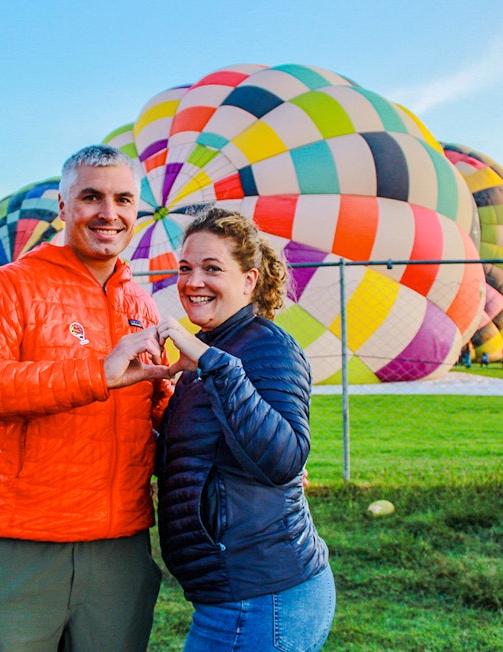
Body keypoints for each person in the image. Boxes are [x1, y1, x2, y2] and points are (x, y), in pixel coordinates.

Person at [0, 144, 173, 652]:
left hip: (120, 547)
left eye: (124, 200)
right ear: (63, 208)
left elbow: (160, 410)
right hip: (21, 544)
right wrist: (92, 373)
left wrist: (247, 449)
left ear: (137, 211)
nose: (110, 214)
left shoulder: (140, 303)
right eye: (92, 197)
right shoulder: (9, 288)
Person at [154, 208, 334, 652]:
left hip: (262, 596)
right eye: (185, 268)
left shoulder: (265, 345)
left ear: (250, 280)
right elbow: (196, 463)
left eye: (212, 268)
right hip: (234, 594)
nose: (193, 282)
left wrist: (212, 364)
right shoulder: (212, 353)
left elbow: (284, 458)